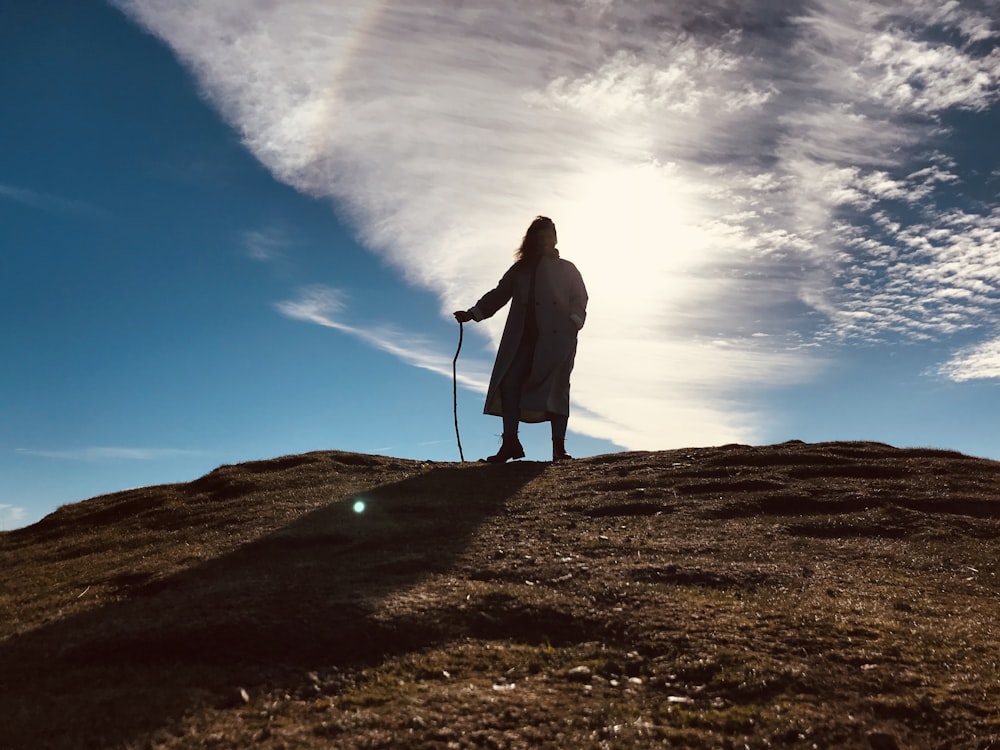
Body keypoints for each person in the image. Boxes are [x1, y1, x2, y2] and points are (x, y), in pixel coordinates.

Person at [454, 216, 588, 463]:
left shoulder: (568, 269)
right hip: (522, 339)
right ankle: (510, 443)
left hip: (558, 340)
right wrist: (473, 313)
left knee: (557, 389)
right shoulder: (520, 269)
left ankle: (559, 449)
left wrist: (573, 323)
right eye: (540, 235)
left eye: (549, 234)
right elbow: (499, 294)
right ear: (532, 238)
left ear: (555, 238)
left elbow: (579, 298)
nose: (545, 239)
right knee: (509, 382)